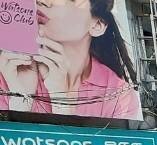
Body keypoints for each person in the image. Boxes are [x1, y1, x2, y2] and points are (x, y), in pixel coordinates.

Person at [0, 0, 140, 119]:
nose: (43, 1)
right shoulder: (10, 71)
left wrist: (61, 106)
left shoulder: (118, 96)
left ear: (97, 25)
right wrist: (21, 102)